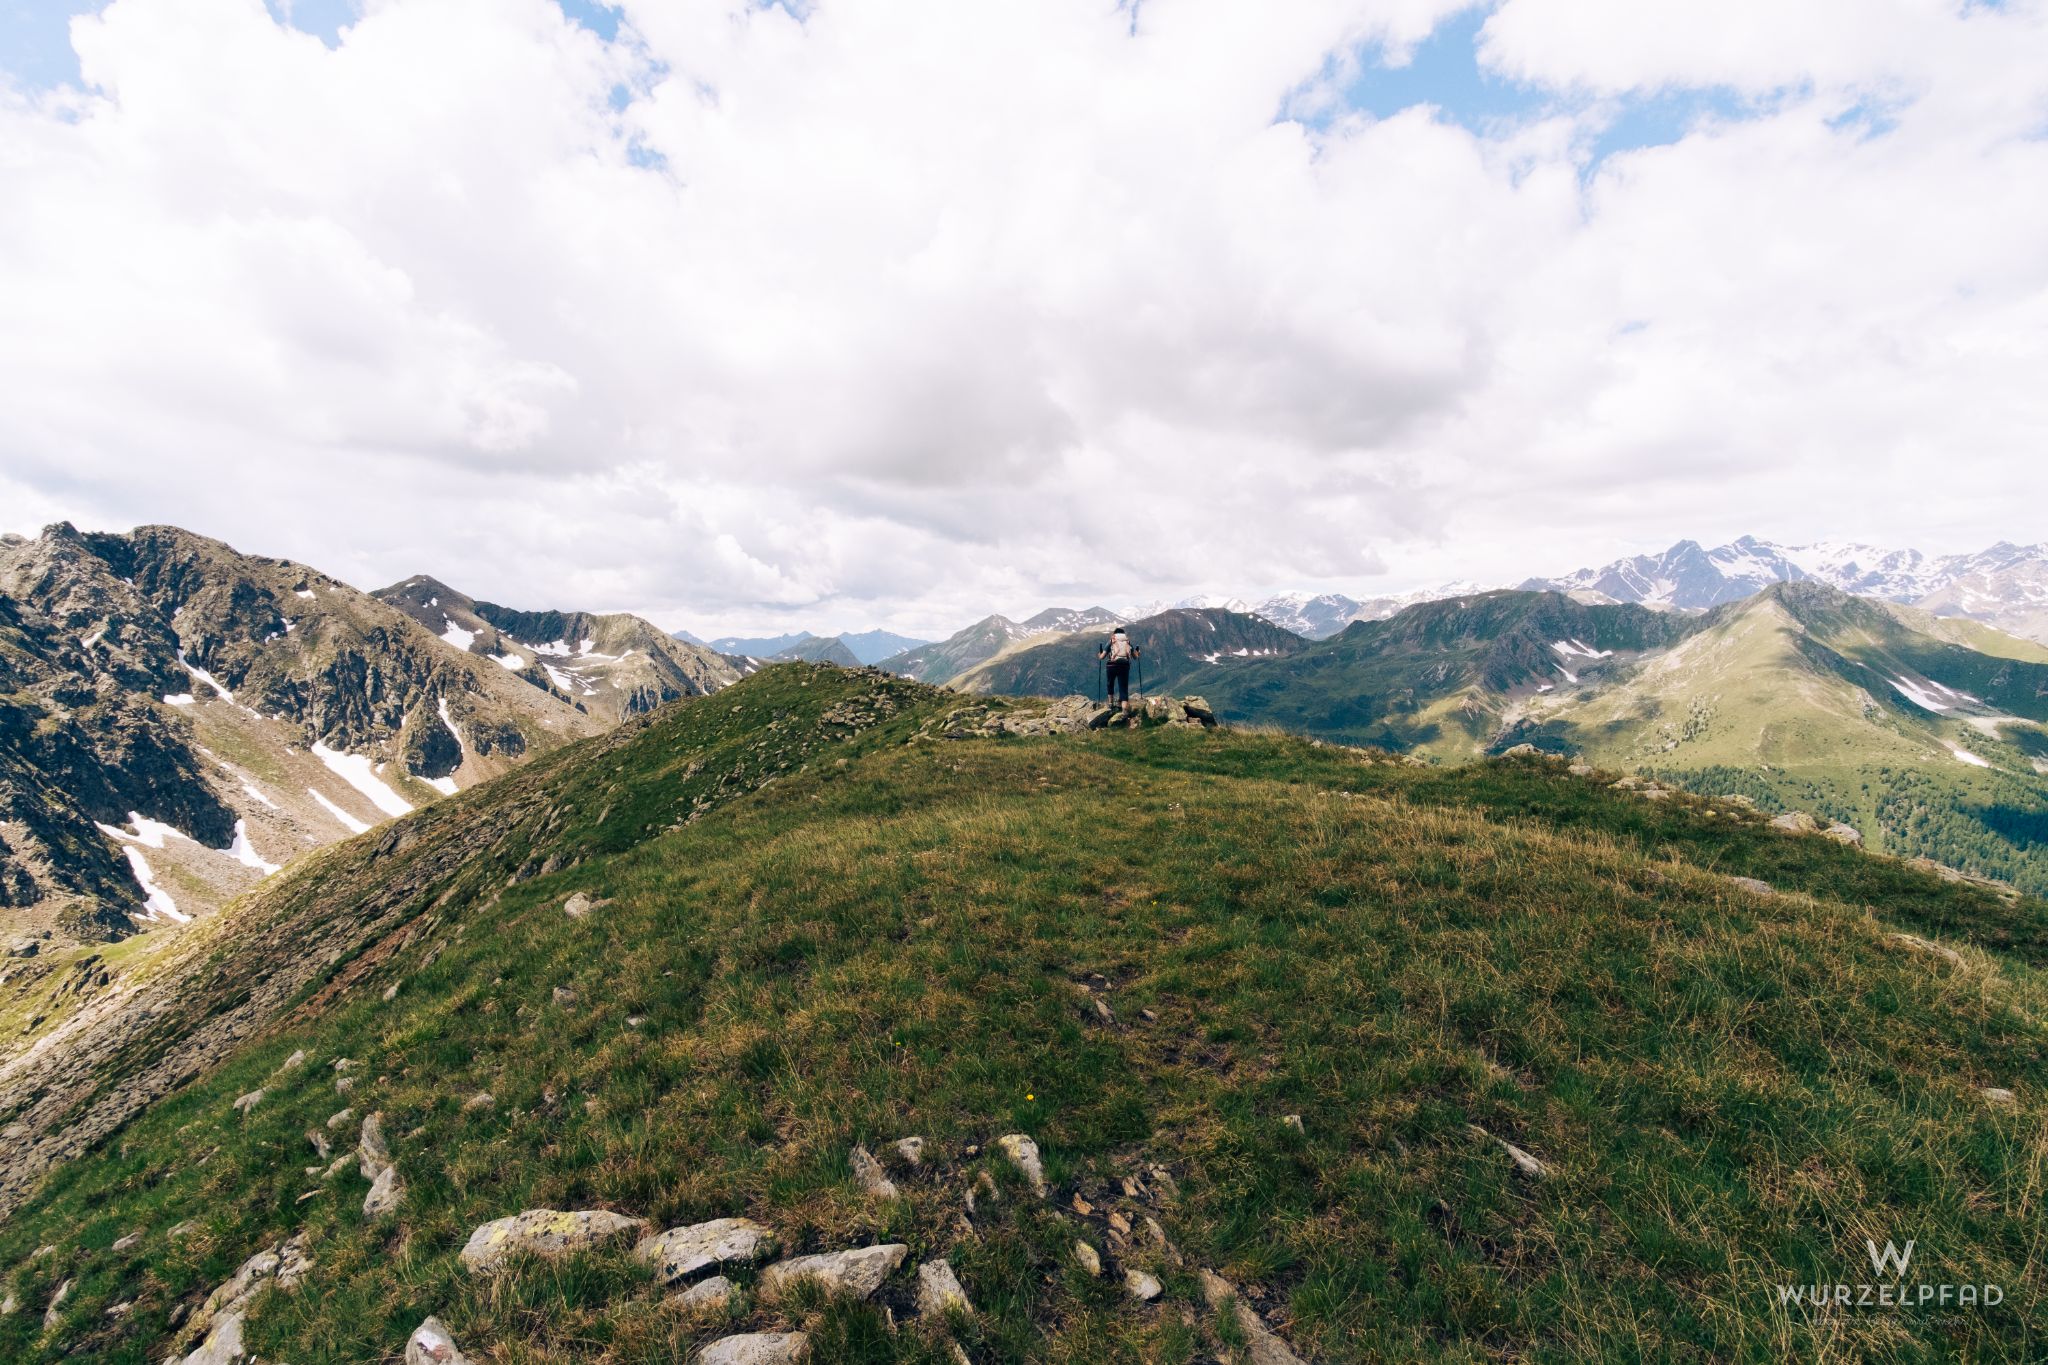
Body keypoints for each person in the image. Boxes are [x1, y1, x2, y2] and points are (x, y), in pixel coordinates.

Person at [1098, 626, 1139, 707]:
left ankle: (1110, 704)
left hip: (1111, 666)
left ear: (1115, 634)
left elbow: (1102, 657)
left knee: (1110, 684)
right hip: (1124, 666)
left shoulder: (1111, 641)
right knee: (1123, 688)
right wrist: (1138, 653)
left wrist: (1099, 654)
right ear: (1123, 634)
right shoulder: (1127, 642)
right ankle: (1124, 712)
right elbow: (1135, 657)